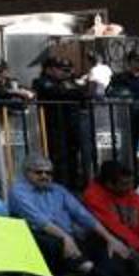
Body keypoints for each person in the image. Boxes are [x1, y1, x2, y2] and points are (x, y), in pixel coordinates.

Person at [9, 153, 139, 276]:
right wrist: (65, 238)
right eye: (38, 172)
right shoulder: (18, 191)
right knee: (54, 243)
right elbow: (39, 221)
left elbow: (82, 215)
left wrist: (109, 238)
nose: (44, 176)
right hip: (41, 239)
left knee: (108, 240)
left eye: (48, 172)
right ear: (27, 173)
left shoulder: (58, 190)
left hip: (69, 238)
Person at [32, 57, 90, 188]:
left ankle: (73, 185)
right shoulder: (41, 81)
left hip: (70, 125)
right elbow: (56, 92)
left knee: (72, 157)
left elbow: (82, 94)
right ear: (50, 69)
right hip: (52, 125)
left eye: (67, 70)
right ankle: (57, 185)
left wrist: (71, 88)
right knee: (57, 158)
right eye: (60, 69)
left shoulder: (69, 82)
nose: (65, 73)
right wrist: (69, 90)